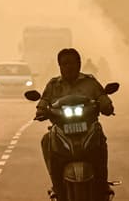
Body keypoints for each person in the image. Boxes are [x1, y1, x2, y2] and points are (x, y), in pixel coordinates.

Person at [36, 48, 114, 199]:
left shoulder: (90, 82)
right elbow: (43, 102)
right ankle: (57, 185)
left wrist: (107, 106)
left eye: (72, 63)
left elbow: (102, 97)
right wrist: (40, 111)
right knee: (46, 140)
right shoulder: (53, 85)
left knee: (100, 136)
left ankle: (102, 184)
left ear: (79, 64)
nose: (68, 67)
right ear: (59, 66)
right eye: (64, 63)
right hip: (62, 131)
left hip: (88, 129)